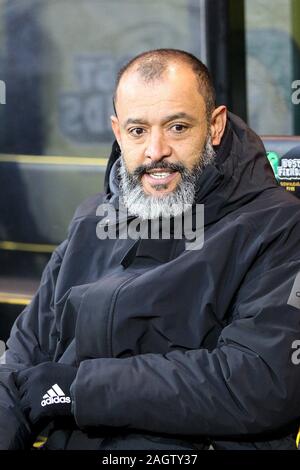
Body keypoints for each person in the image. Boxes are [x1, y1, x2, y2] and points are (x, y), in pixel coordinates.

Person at [0, 48, 300, 451]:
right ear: (118, 132)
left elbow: (261, 381)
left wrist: (77, 389)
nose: (155, 150)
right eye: (138, 130)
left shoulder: (277, 223)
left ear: (215, 125)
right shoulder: (92, 219)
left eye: (176, 127)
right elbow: (20, 362)